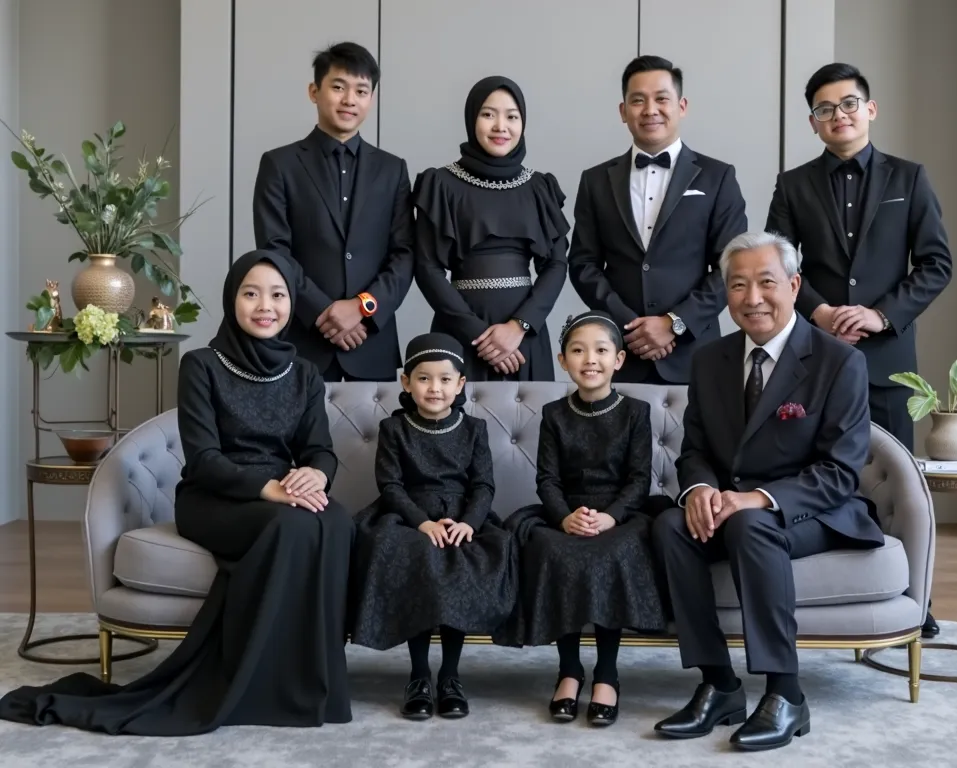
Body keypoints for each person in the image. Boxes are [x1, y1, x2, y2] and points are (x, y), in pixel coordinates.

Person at [0, 250, 354, 734]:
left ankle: (312, 680)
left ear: (292, 303)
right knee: (291, 523)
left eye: (278, 295)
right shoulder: (202, 365)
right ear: (233, 300)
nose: (264, 305)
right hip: (213, 498)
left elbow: (320, 449)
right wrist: (267, 488)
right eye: (251, 293)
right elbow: (205, 460)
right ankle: (261, 684)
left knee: (335, 519)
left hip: (280, 493)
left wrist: (317, 474)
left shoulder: (305, 374)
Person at [650, 232, 885, 751]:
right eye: (738, 285)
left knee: (751, 523)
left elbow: (840, 472)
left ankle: (786, 693)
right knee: (670, 525)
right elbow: (695, 451)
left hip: (815, 510)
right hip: (732, 507)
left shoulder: (839, 362)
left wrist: (755, 499)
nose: (752, 298)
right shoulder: (710, 360)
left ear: (795, 285)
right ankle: (719, 683)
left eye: (766, 283)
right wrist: (698, 492)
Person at [765, 62, 951, 639]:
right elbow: (776, 262)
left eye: (848, 104)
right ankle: (820, 586)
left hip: (887, 355)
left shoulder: (909, 178)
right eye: (825, 109)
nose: (838, 116)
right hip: (815, 354)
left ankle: (912, 596)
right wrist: (817, 310)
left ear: (869, 110)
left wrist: (880, 314)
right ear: (814, 123)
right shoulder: (793, 184)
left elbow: (937, 264)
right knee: (814, 468)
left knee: (896, 478)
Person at [495, 311, 671, 727]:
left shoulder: (635, 412)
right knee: (557, 551)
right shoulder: (555, 414)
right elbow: (548, 479)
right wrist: (564, 517)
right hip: (567, 512)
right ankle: (569, 669)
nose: (589, 359)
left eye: (600, 350)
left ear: (619, 360)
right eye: (578, 350)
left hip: (620, 512)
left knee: (610, 553)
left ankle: (607, 674)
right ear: (562, 360)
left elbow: (638, 479)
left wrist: (610, 517)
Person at [348, 333, 517, 720]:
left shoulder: (474, 428)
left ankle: (451, 676)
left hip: (463, 516)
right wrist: (422, 523)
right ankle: (419, 675)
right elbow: (390, 485)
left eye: (445, 379)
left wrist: (468, 524)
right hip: (409, 515)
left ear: (460, 384)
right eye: (424, 378)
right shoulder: (395, 429)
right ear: (406, 383)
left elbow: (483, 484)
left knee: (464, 559)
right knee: (413, 556)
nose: (435, 388)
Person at [568, 55, 748, 385]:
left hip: (695, 352)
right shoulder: (595, 181)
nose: (650, 109)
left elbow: (732, 267)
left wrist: (674, 322)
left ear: (681, 106)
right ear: (624, 112)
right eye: (638, 100)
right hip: (619, 353)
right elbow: (583, 263)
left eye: (661, 98)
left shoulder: (717, 177)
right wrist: (628, 326)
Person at [253, 41, 414, 382]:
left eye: (361, 90)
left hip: (371, 341)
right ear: (314, 91)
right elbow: (275, 252)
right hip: (302, 339)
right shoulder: (279, 165)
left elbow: (404, 255)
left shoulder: (393, 169)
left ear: (371, 98)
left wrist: (360, 308)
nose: (349, 100)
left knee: (375, 438)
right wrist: (324, 312)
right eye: (338, 87)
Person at [413, 75, 569, 381]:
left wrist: (519, 326)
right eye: (488, 114)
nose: (501, 126)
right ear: (472, 119)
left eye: (512, 116)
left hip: (525, 337)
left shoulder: (539, 187)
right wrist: (479, 335)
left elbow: (556, 264)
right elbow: (427, 268)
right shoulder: (441, 184)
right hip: (460, 331)